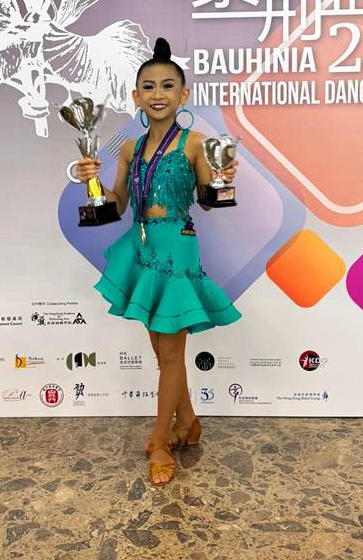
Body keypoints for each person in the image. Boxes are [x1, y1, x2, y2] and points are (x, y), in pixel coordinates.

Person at [75, 37, 241, 485]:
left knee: (170, 351)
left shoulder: (196, 143)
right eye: (148, 86)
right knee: (161, 349)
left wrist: (222, 178)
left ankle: (162, 440)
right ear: (136, 96)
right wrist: (91, 184)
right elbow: (116, 204)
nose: (158, 94)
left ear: (183, 94)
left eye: (168, 85)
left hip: (177, 246)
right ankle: (188, 421)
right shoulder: (129, 149)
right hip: (141, 244)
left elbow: (208, 201)